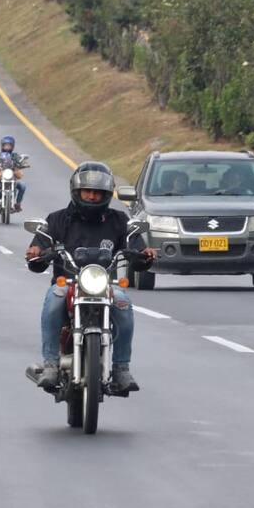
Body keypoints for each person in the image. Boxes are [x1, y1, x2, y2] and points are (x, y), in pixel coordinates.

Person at [25, 162, 156, 392]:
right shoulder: (57, 219)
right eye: (88, 191)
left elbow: (136, 249)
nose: (92, 197)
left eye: (97, 193)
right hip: (68, 283)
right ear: (76, 191)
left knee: (124, 305)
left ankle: (121, 368)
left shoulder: (120, 221)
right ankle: (51, 364)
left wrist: (144, 254)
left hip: (106, 285)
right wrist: (36, 251)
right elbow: (40, 244)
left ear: (106, 195)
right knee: (55, 299)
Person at [0, 135, 27, 213]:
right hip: (1, 176)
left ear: (12, 146)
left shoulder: (15, 156)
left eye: (9, 145)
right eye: (6, 145)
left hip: (13, 176)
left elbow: (21, 161)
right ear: (2, 145)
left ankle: (18, 204)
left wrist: (24, 164)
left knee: (23, 186)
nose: (7, 147)